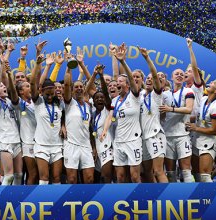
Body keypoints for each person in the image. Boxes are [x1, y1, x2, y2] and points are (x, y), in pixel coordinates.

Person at [100, 43, 142, 183]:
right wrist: (105, 130)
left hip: (133, 141)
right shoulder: (115, 100)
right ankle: (121, 201)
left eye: (120, 81)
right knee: (120, 177)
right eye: (116, 81)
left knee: (135, 176)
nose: (117, 82)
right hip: (118, 141)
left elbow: (130, 78)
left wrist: (122, 61)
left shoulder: (134, 96)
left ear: (128, 84)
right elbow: (110, 116)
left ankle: (139, 201)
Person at [29, 53, 65, 185]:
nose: (50, 96)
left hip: (57, 145)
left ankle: (57, 205)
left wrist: (63, 125)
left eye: (52, 93)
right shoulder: (38, 102)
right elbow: (33, 82)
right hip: (41, 145)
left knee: (56, 178)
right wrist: (41, 65)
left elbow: (64, 117)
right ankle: (43, 205)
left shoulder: (59, 104)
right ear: (42, 92)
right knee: (43, 178)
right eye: (47, 94)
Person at [186, 80, 216, 182]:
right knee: (196, 175)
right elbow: (198, 118)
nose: (212, 82)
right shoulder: (203, 99)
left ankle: (212, 198)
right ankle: (198, 197)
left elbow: (215, 130)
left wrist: (195, 128)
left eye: (215, 83)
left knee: (205, 176)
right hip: (196, 140)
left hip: (208, 143)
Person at [0, 54, 22, 185]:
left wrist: (8, 73)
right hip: (4, 141)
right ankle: (2, 201)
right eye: (1, 87)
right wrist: (0, 65)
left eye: (4, 86)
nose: (4, 87)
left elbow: (12, 89)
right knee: (8, 177)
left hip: (16, 140)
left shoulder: (10, 101)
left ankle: (17, 202)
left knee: (19, 175)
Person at [63, 53, 96, 184]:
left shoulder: (88, 105)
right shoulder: (69, 102)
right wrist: (70, 65)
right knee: (71, 179)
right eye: (76, 87)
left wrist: (93, 146)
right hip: (71, 145)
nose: (79, 88)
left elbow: (90, 128)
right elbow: (66, 83)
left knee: (89, 178)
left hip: (86, 145)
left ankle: (87, 202)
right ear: (72, 90)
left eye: (81, 86)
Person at [138, 46, 168, 183]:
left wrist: (146, 57)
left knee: (158, 171)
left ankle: (168, 199)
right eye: (147, 78)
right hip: (143, 138)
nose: (150, 79)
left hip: (155, 135)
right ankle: (153, 200)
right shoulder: (140, 96)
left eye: (151, 78)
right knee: (146, 173)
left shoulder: (156, 95)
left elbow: (155, 75)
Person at [160, 69, 195, 183]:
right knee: (170, 173)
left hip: (182, 135)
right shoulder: (164, 95)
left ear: (184, 78)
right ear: (171, 77)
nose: (179, 76)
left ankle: (191, 197)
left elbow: (189, 109)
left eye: (182, 74)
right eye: (177, 74)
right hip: (167, 135)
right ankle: (173, 198)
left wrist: (171, 109)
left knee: (186, 171)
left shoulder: (188, 91)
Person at [184, 38, 205, 182]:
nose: (187, 72)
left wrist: (190, 49)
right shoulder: (181, 90)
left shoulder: (197, 87)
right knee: (185, 165)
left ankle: (200, 190)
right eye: (187, 70)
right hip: (183, 129)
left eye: (190, 71)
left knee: (196, 164)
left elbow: (194, 66)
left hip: (196, 128)